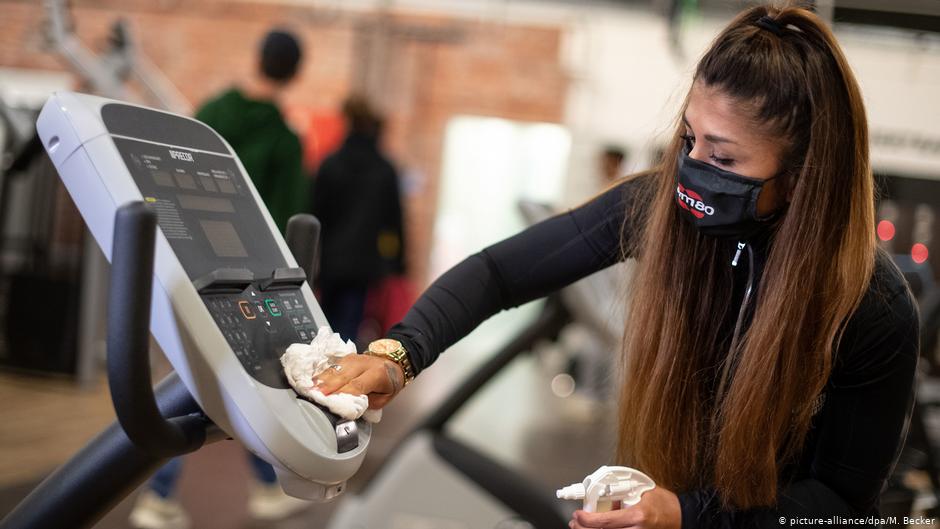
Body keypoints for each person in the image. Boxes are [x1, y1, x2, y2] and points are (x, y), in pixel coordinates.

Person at [314, 5, 920, 529]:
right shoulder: (657, 209)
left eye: (724, 156)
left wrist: (687, 515)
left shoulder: (872, 305)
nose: (692, 170)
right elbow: (500, 272)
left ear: (801, 178)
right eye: (690, 141)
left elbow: (845, 504)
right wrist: (399, 355)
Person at [129, 28, 309, 529]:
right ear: (296, 72)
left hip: (185, 265)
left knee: (198, 378)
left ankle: (258, 486)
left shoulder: (212, 117)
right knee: (225, 382)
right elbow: (288, 220)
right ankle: (161, 496)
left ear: (257, 58)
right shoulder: (283, 141)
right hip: (245, 285)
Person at [310, 95, 406, 345]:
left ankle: (321, 375)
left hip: (331, 261)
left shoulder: (331, 164)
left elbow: (315, 214)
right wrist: (397, 263)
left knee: (324, 323)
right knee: (350, 326)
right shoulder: (384, 169)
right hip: (365, 264)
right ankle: (343, 377)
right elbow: (394, 222)